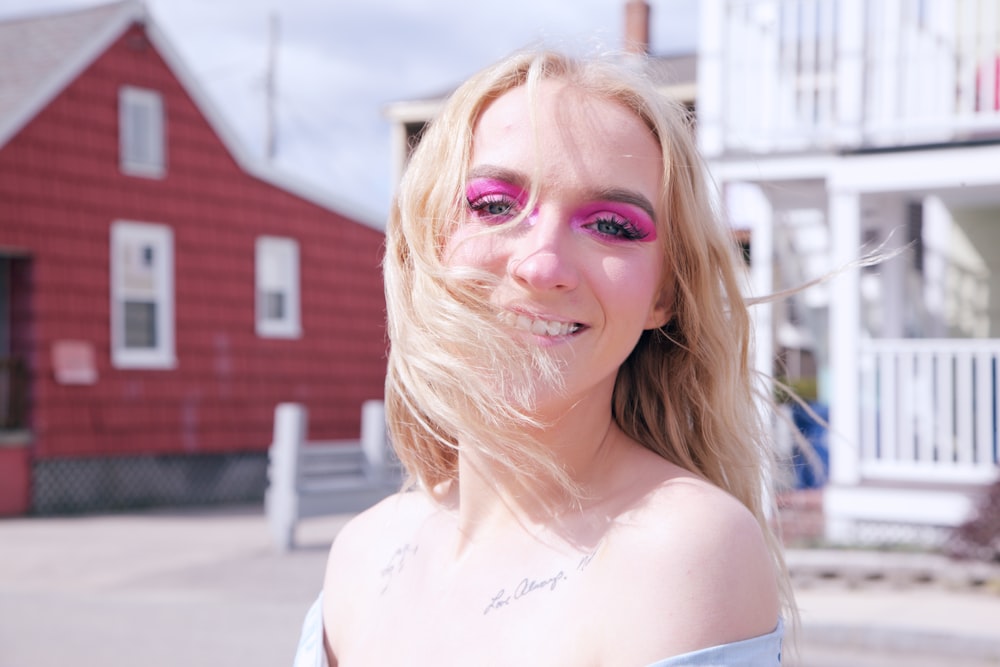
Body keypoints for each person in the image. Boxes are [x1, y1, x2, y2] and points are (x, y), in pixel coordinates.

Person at [294, 48, 791, 666]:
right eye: (495, 206)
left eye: (611, 224)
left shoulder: (682, 551)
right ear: (427, 248)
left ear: (664, 292)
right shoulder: (362, 553)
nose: (542, 266)